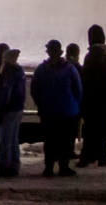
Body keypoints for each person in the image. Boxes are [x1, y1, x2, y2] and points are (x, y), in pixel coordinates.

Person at [31, 40, 82, 177]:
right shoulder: (70, 69)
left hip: (48, 112)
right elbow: (77, 89)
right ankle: (64, 167)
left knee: (50, 141)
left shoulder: (41, 69)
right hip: (68, 111)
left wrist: (41, 104)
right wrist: (74, 105)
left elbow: (35, 90)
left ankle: (49, 168)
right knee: (66, 141)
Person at [79, 25, 106, 168]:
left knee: (89, 130)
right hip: (105, 105)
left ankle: (86, 157)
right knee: (104, 131)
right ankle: (102, 157)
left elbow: (81, 85)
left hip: (89, 103)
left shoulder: (87, 61)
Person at [0, 48, 27, 178]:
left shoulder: (9, 73)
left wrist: (0, 110)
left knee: (5, 139)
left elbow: (6, 94)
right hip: (18, 108)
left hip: (9, 110)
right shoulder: (20, 71)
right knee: (13, 138)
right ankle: (14, 164)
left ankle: (4, 165)